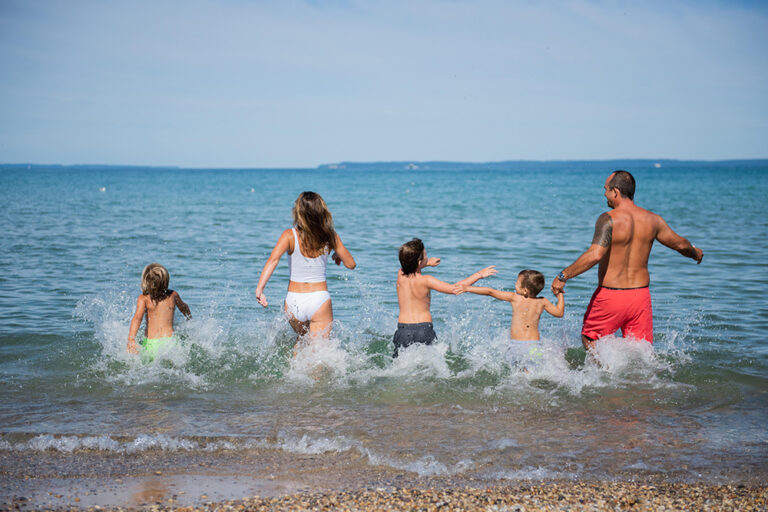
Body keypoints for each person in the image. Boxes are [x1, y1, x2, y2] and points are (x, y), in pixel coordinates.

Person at [551, 170, 703, 349]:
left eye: (606, 189)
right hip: (640, 297)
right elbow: (680, 245)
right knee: (640, 351)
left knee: (590, 339)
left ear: (615, 192)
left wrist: (563, 276)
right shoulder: (654, 220)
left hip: (611, 295)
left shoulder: (608, 219)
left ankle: (603, 374)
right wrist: (695, 253)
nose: (604, 194)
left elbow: (595, 254)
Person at [255, 191, 356, 340]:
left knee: (302, 343)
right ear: (321, 211)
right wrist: (337, 253)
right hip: (318, 299)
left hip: (294, 301)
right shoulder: (330, 236)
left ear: (298, 212)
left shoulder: (289, 235)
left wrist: (260, 289)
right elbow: (351, 264)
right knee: (318, 352)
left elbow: (272, 260)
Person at [394, 238, 496, 357]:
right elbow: (454, 289)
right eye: (425, 255)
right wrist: (479, 275)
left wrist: (426, 263)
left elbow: (409, 266)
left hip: (403, 329)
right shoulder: (426, 280)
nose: (428, 257)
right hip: (423, 329)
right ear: (419, 262)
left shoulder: (400, 274)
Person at [456, 269, 564, 341]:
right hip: (534, 345)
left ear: (525, 290)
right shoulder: (543, 301)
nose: (515, 285)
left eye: (517, 283)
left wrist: (467, 288)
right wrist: (559, 295)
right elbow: (559, 313)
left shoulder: (515, 298)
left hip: (516, 345)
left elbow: (490, 292)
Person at [127, 263, 192, 360]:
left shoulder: (143, 298)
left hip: (151, 343)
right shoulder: (173, 295)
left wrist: (131, 339)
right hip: (170, 342)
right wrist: (189, 319)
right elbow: (184, 307)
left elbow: (137, 319)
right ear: (166, 281)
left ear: (145, 281)